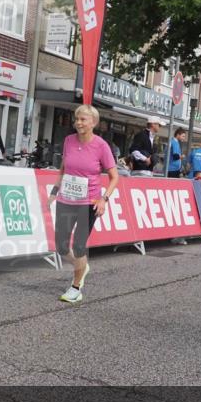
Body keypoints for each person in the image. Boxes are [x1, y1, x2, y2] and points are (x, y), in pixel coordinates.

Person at [48, 104, 119, 304]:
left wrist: (104, 199)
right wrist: (54, 191)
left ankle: (76, 287)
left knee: (79, 246)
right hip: (66, 199)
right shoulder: (68, 141)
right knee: (61, 246)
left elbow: (114, 177)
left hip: (89, 201)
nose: (78, 122)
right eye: (77, 119)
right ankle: (82, 266)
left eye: (83, 119)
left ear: (93, 123)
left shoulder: (101, 146)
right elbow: (63, 168)